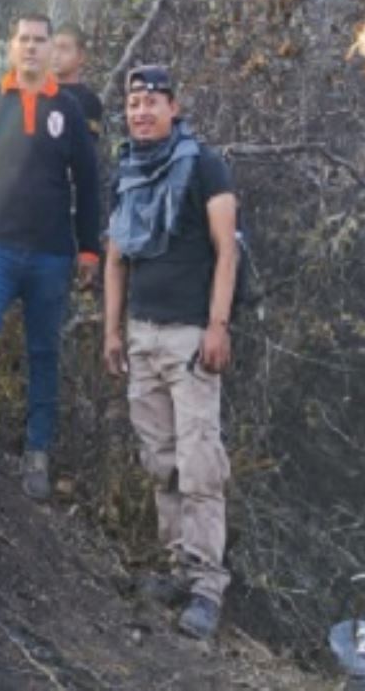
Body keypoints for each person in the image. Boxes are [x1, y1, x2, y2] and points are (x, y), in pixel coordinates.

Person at [102, 64, 238, 641]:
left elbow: (225, 251)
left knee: (200, 458)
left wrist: (217, 325)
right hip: (142, 333)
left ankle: (207, 586)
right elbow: (114, 259)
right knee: (160, 458)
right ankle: (177, 566)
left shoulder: (204, 165)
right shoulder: (127, 171)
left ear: (174, 107)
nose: (141, 111)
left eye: (152, 101)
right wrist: (111, 330)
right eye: (133, 102)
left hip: (189, 336)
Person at [0, 14, 102, 498]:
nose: (31, 48)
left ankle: (37, 453)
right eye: (24, 40)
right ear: (11, 47)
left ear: (53, 50)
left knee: (43, 352)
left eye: (40, 41)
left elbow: (89, 183)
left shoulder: (69, 109)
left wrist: (89, 248)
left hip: (52, 253)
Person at [48, 25, 103, 145]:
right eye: (53, 48)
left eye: (64, 49)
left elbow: (87, 147)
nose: (56, 55)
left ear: (81, 56)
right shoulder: (39, 93)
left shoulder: (89, 100)